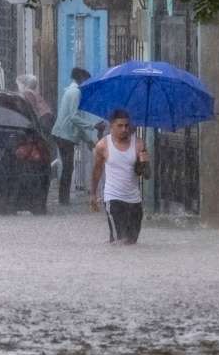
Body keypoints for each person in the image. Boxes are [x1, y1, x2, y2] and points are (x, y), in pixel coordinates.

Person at [90, 109, 150, 244]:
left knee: (131, 243)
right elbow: (97, 171)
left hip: (134, 201)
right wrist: (93, 194)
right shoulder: (103, 146)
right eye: (120, 126)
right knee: (120, 242)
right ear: (111, 126)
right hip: (113, 198)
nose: (124, 129)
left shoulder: (139, 144)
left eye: (127, 126)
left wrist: (144, 162)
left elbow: (146, 175)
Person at [51, 68, 102, 205]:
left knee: (68, 167)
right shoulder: (76, 92)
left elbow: (76, 122)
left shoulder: (72, 92)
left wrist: (89, 141)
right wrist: (93, 126)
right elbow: (74, 117)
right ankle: (63, 200)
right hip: (64, 135)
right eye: (86, 80)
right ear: (81, 78)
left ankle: (64, 198)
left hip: (63, 134)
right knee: (68, 167)